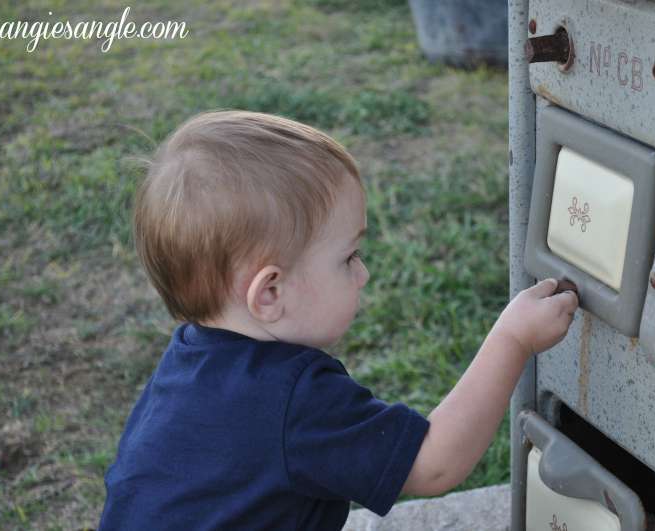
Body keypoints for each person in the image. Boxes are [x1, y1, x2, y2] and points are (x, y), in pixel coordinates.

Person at [99, 110, 578, 530]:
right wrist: (513, 338)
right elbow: (434, 465)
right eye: (349, 257)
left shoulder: (187, 363)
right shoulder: (293, 399)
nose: (364, 273)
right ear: (270, 293)